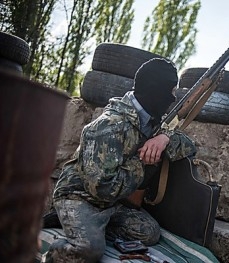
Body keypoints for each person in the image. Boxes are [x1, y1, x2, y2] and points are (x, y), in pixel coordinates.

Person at [41, 58, 197, 263]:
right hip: (80, 196)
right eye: (170, 90)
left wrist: (164, 138)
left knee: (150, 233)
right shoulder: (107, 127)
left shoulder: (153, 119)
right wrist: (143, 161)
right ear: (154, 91)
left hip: (113, 203)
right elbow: (102, 189)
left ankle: (88, 226)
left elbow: (189, 147)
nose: (172, 97)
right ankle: (52, 250)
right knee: (89, 250)